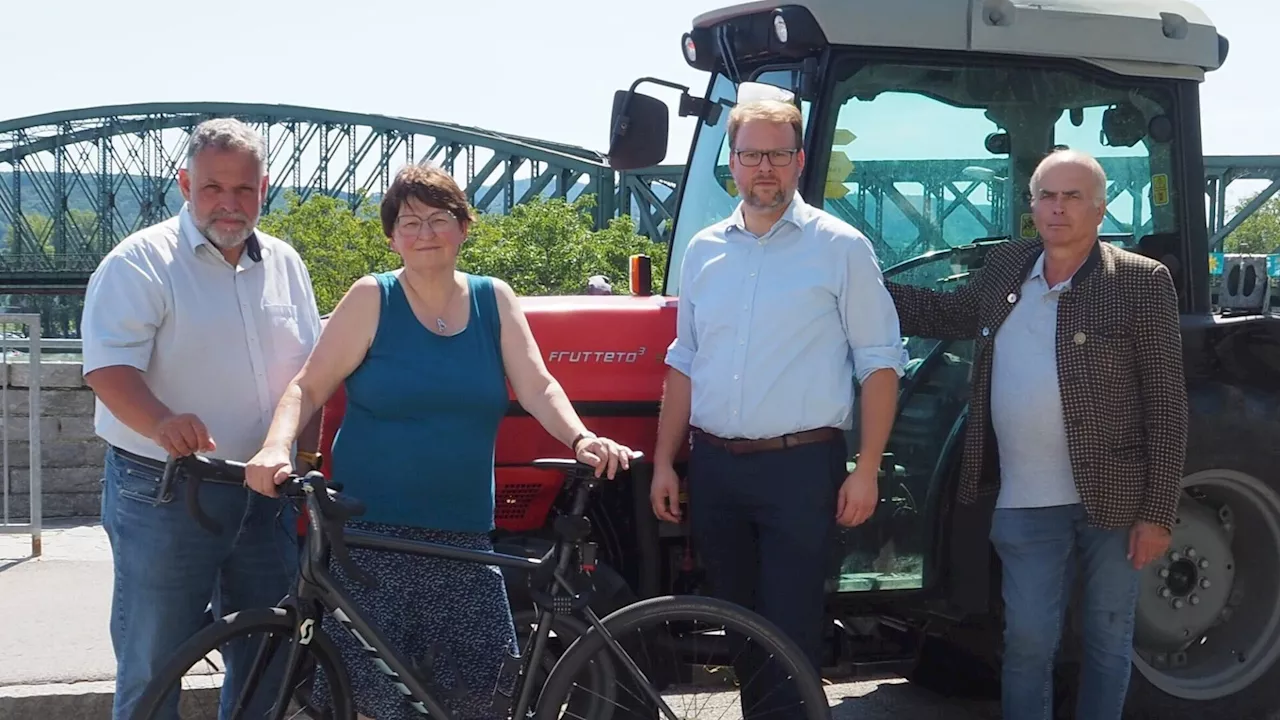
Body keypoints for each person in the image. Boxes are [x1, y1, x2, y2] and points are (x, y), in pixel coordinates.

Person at [244, 163, 635, 720]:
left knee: (481, 702)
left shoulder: (493, 300)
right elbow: (308, 387)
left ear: (464, 227)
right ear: (391, 236)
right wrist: (275, 447)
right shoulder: (371, 299)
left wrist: (581, 437)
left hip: (463, 537)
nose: (424, 232)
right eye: (409, 222)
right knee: (372, 702)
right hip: (369, 538)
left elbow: (537, 384)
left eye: (439, 218)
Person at [885, 148, 1188, 720]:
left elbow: (1167, 403)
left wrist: (1158, 512)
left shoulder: (1141, 282)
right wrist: (855, 281)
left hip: (1116, 501)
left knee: (1106, 635)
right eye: (1046, 195)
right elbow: (946, 315)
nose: (1057, 208)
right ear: (1031, 206)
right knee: (1027, 642)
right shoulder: (1006, 268)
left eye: (1073, 196)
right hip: (1025, 499)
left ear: (1099, 210)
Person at [648, 96, 907, 713]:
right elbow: (685, 359)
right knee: (736, 627)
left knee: (790, 629)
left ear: (800, 160)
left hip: (800, 468)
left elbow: (880, 360)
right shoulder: (703, 250)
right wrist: (664, 461)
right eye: (751, 155)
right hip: (715, 469)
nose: (765, 167)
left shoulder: (841, 247)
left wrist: (867, 468)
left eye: (778, 154)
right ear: (731, 163)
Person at [81, 118, 323, 719]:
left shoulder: (287, 263)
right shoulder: (139, 261)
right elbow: (107, 369)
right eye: (214, 188)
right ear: (185, 184)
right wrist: (162, 421)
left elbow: (309, 376)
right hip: (165, 490)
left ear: (263, 188)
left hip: (265, 489)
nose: (230, 203)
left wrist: (308, 458)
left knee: (267, 658)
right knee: (155, 661)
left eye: (243, 189)